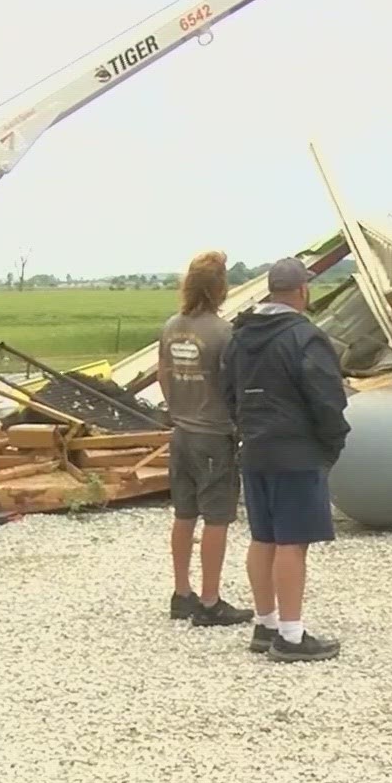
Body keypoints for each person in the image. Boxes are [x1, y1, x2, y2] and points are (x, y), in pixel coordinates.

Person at [219, 256, 349, 663]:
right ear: (302, 292)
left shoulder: (239, 336)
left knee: (263, 538)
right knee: (293, 542)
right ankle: (291, 637)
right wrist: (332, 443)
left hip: (255, 449)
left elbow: (227, 392)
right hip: (297, 450)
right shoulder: (304, 337)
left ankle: (266, 623)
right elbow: (327, 397)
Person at [159, 249, 254, 628]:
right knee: (217, 517)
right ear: (220, 288)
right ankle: (211, 600)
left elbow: (164, 374)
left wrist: (177, 408)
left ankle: (182, 593)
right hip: (214, 434)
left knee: (184, 514)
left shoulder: (172, 326)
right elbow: (235, 384)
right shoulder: (223, 333)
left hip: (181, 432)